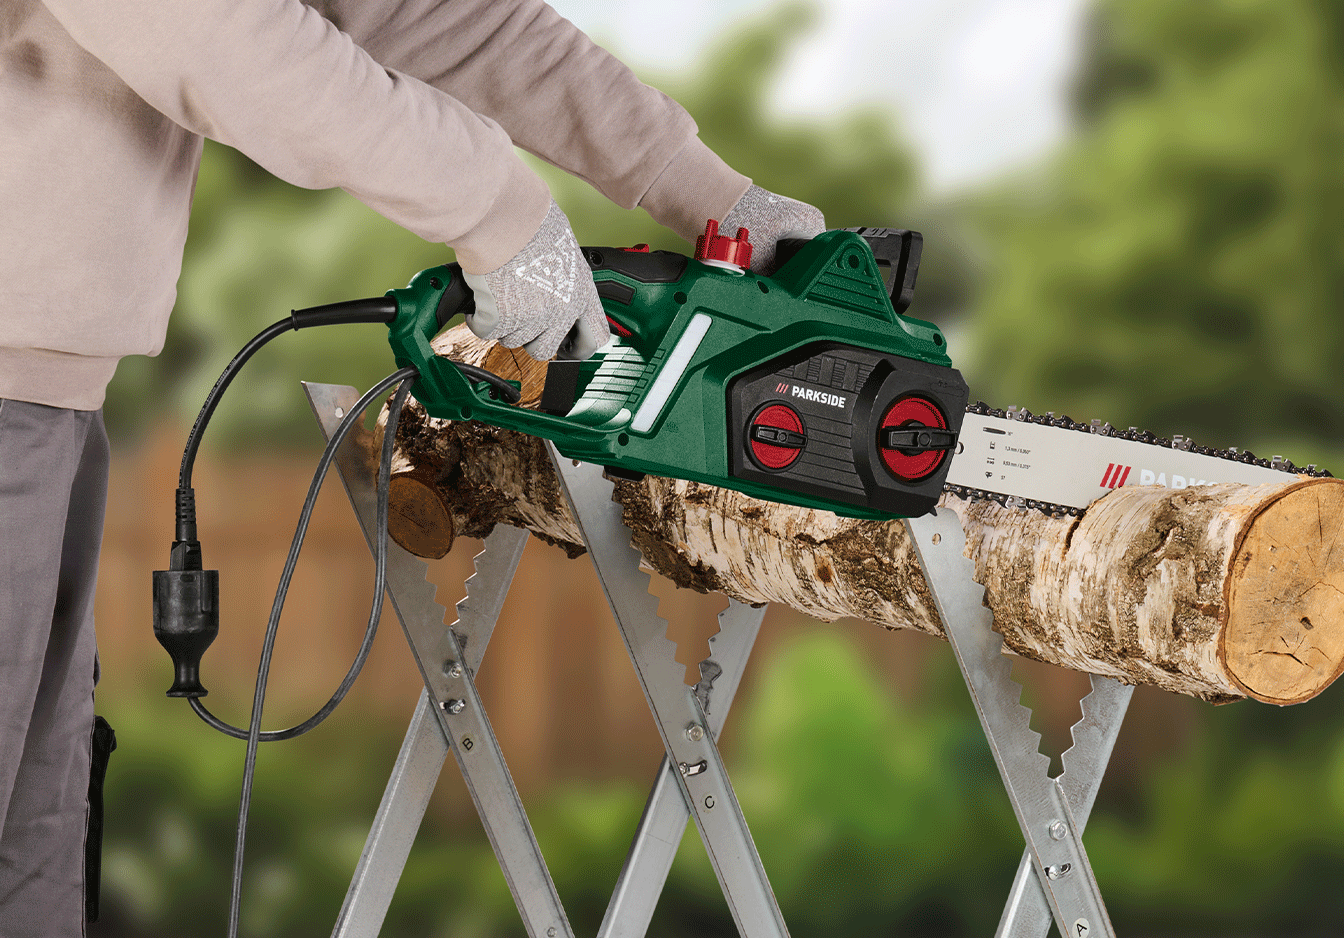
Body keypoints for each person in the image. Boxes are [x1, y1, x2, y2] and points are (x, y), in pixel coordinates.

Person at [0, 0, 825, 932]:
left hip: (47, 398)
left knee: (32, 857)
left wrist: (708, 193)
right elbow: (206, 25)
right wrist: (497, 212)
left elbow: (431, 13)